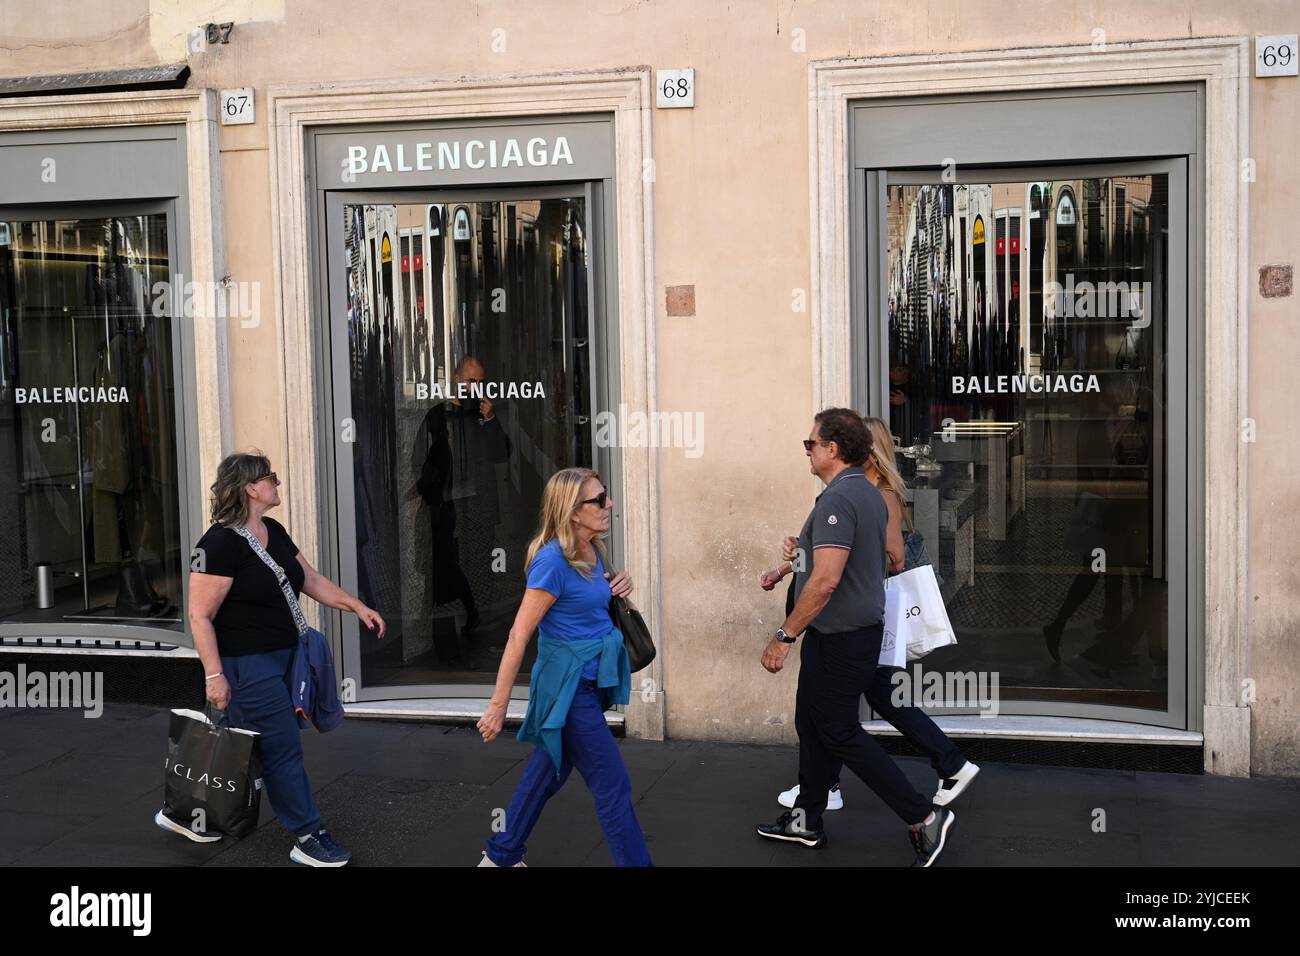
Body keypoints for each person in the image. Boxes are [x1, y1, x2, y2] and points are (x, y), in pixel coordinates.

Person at [160, 452, 385, 866]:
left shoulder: (273, 531)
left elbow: (309, 579)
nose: (277, 484)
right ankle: (307, 834)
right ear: (250, 488)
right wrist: (214, 675)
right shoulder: (218, 544)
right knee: (282, 748)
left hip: (286, 657)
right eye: (271, 478)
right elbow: (199, 616)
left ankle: (191, 812)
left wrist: (357, 606)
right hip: (247, 664)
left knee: (246, 746)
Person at [755, 409, 956, 866]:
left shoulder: (840, 500)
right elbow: (850, 560)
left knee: (838, 730)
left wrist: (783, 636)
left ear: (833, 448)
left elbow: (825, 581)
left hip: (842, 637)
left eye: (811, 443)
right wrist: (794, 559)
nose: (806, 450)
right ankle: (806, 817)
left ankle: (923, 816)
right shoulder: (863, 493)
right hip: (846, 633)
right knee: (811, 721)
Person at [475, 467, 652, 867]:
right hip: (569, 690)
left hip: (589, 682)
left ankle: (501, 854)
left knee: (548, 771)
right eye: (598, 499)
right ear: (573, 511)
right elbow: (519, 636)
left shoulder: (592, 549)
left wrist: (615, 586)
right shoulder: (551, 561)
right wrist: (499, 706)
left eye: (606, 495)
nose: (608, 504)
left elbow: (587, 604)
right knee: (613, 787)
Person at [413, 355, 511, 661]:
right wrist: (426, 488)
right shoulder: (437, 415)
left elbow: (502, 455)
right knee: (444, 558)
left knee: (479, 561)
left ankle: (479, 619)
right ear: (457, 380)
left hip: (478, 504)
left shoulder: (484, 416)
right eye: (471, 382)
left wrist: (491, 420)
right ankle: (457, 613)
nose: (476, 388)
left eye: (481, 383)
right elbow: (419, 458)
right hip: (446, 504)